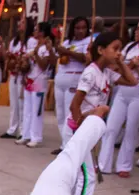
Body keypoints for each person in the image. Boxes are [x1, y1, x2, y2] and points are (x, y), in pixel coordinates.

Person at [67, 31, 137, 195]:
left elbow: (132, 81)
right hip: (81, 128)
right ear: (100, 50)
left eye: (120, 49)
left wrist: (121, 62)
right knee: (87, 177)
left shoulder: (107, 73)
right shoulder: (90, 73)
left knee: (81, 176)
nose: (118, 53)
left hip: (92, 127)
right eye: (115, 49)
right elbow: (75, 104)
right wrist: (80, 130)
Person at [98, 16, 139, 177]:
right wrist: (130, 65)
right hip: (123, 90)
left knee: (131, 128)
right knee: (111, 127)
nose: (136, 31)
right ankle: (103, 164)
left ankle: (124, 165)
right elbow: (117, 68)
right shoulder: (129, 47)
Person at [53, 17, 91, 153]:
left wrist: (67, 52)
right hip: (61, 77)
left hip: (75, 77)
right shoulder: (67, 41)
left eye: (83, 28)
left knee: (70, 113)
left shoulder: (89, 42)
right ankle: (64, 143)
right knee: (60, 114)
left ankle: (70, 146)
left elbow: (86, 59)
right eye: (77, 28)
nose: (80, 31)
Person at [17, 21, 56, 148]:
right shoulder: (33, 44)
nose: (34, 31)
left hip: (40, 81)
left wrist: (35, 54)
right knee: (27, 109)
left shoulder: (47, 47)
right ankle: (25, 134)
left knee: (36, 110)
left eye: (36, 29)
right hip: (29, 79)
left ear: (42, 32)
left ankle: (36, 136)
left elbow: (44, 65)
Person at [2, 17, 33, 139]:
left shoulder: (30, 41)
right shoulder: (14, 41)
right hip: (13, 75)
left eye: (23, 22)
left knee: (22, 104)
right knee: (14, 103)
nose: (20, 24)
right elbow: (8, 58)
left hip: (23, 76)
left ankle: (22, 130)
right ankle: (12, 128)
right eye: (20, 22)